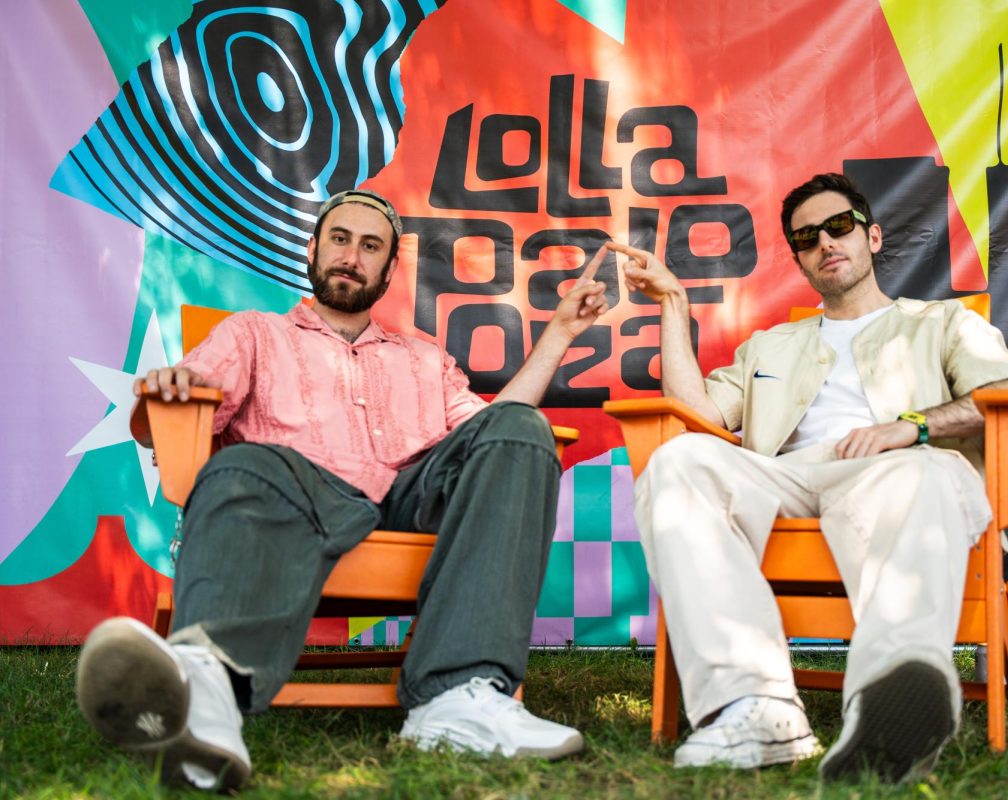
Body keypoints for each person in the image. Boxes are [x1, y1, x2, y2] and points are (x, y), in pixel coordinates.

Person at [76, 189, 610, 791]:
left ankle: (456, 697)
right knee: (243, 462)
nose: (351, 256)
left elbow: (493, 436)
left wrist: (561, 332)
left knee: (522, 430)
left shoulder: (426, 359)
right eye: (339, 238)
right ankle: (206, 692)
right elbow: (180, 401)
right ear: (313, 249)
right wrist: (175, 384)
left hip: (415, 503)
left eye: (370, 246)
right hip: (299, 497)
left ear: (387, 271)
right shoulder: (254, 334)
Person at [605, 172, 1008, 782]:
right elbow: (697, 417)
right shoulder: (771, 346)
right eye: (807, 238)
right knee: (677, 461)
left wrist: (911, 425)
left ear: (873, 236)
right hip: (784, 483)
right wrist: (673, 302)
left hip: (895, 470)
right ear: (801, 260)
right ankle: (756, 706)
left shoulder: (942, 321)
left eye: (838, 227)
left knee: (927, 473)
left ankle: (892, 695)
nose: (825, 243)